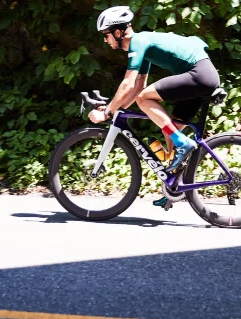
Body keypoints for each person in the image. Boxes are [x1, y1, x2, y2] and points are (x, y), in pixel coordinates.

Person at [88, 5, 220, 207]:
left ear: (117, 32)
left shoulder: (138, 41)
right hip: (201, 75)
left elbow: (128, 84)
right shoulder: (142, 44)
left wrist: (107, 112)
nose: (105, 40)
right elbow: (139, 83)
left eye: (105, 35)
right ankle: (174, 187)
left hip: (199, 74)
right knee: (170, 129)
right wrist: (119, 109)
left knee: (144, 100)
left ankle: (182, 143)